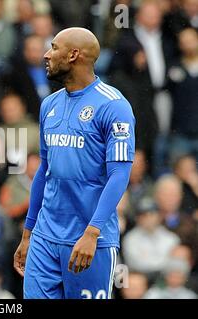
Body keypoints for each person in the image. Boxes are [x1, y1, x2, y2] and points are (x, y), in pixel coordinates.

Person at [13, 27, 136, 299]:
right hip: (45, 238)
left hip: (89, 240)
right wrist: (28, 232)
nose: (46, 55)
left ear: (73, 55)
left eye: (54, 48)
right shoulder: (49, 105)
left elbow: (119, 175)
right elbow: (44, 171)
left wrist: (92, 232)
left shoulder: (114, 105)